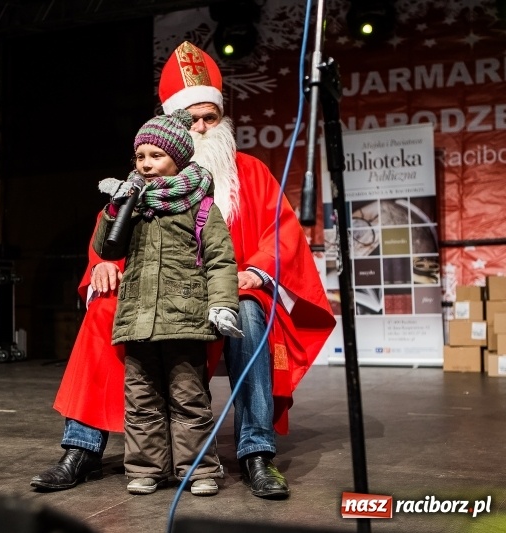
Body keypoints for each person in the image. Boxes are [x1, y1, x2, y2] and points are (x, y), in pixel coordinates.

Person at [31, 41, 336, 499]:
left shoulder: (249, 172)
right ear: (173, 127)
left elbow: (280, 232)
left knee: (251, 314)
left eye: (208, 118)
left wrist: (255, 271)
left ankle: (257, 452)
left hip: (220, 296)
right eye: (189, 120)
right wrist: (102, 267)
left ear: (222, 121)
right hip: (155, 296)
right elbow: (108, 233)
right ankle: (82, 448)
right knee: (104, 311)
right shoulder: (143, 178)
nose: (200, 127)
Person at [92, 109, 242, 496]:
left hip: (185, 317)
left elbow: (221, 260)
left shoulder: (201, 206)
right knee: (141, 400)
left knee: (189, 398)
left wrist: (223, 304)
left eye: (155, 156)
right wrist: (115, 209)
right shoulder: (133, 205)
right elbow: (105, 247)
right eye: (140, 157)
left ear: (178, 158)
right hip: (139, 318)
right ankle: (146, 469)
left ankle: (198, 470)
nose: (145, 164)